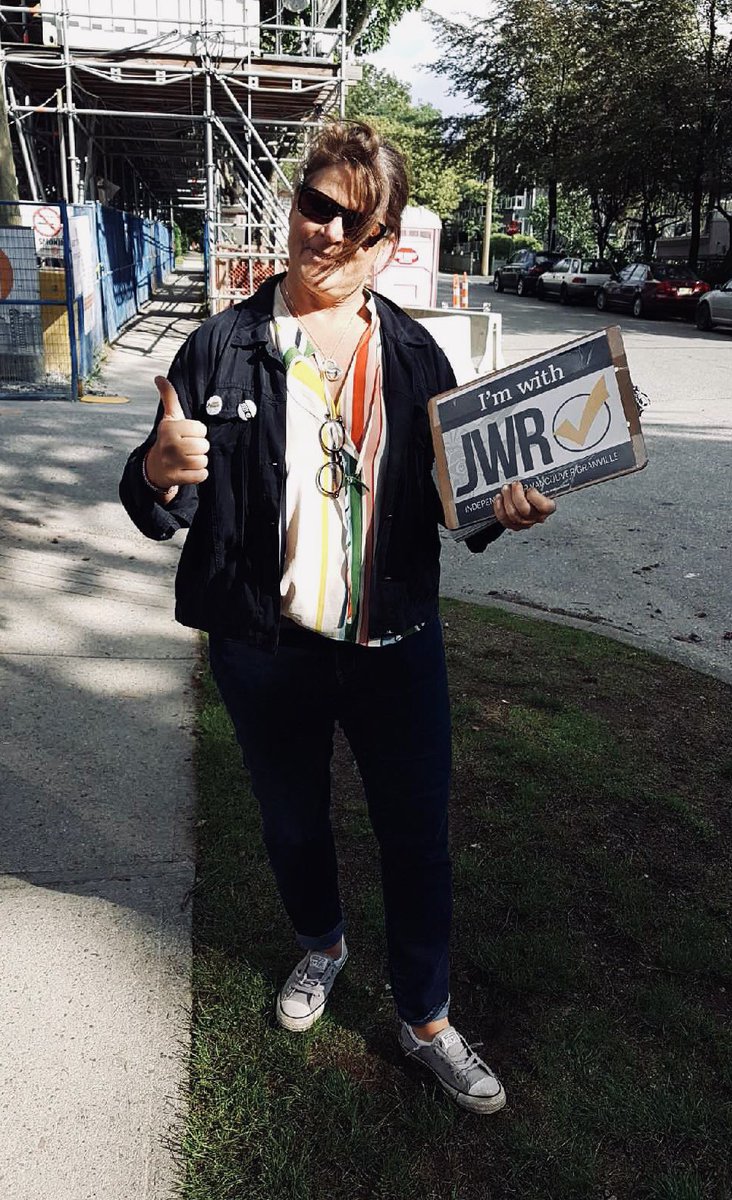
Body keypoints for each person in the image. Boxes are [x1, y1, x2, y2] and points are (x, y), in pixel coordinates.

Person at [120, 121, 556, 1115]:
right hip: (265, 648)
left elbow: (454, 500)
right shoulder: (220, 346)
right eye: (317, 205)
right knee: (290, 820)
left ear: (387, 244)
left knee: (418, 835)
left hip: (394, 644)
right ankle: (322, 945)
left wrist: (503, 507)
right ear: (295, 205)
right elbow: (159, 501)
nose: (330, 232)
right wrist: (155, 471)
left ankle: (425, 1017)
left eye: (358, 222)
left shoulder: (416, 356)